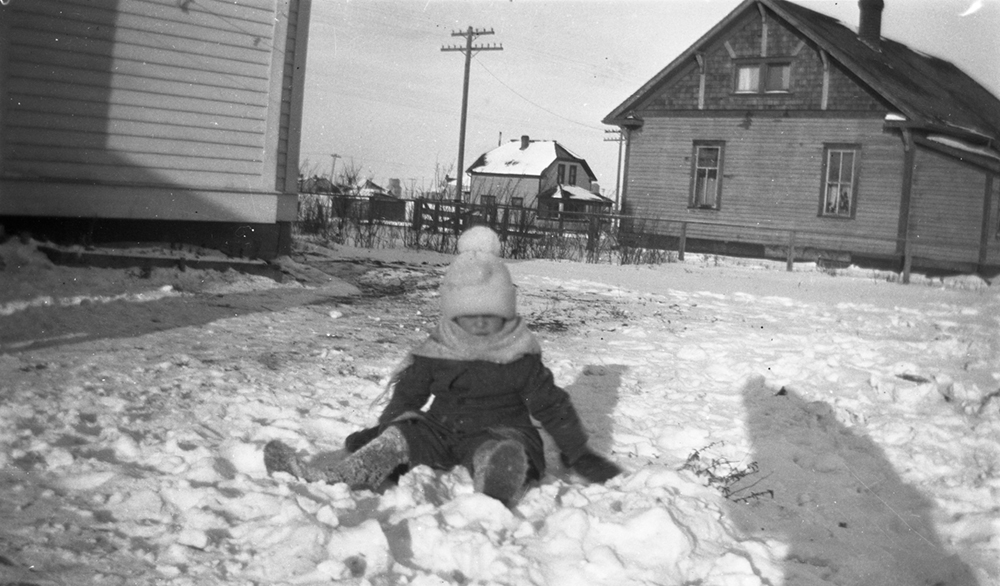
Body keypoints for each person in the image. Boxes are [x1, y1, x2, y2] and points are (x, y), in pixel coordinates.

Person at [264, 226, 622, 505]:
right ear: (453, 313)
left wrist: (579, 454)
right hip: (441, 430)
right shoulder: (437, 350)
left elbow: (553, 407)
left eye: (491, 314)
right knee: (400, 436)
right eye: (470, 314)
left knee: (509, 449)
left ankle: (498, 480)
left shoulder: (519, 354)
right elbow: (408, 395)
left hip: (500, 430)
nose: (481, 323)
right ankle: (350, 471)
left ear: (507, 312)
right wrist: (387, 432)